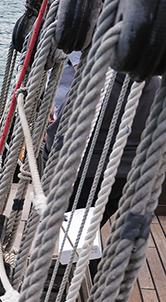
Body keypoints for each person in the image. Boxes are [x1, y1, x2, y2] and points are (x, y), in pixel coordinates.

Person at [43, 65, 161, 226]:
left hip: (85, 175)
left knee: (73, 231)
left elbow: (59, 132)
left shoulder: (93, 82)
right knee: (90, 226)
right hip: (127, 178)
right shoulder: (157, 86)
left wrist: (48, 158)